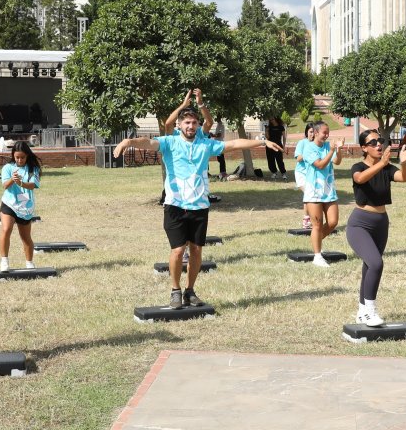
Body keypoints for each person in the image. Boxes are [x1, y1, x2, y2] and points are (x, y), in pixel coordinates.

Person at [114, 107, 282, 308]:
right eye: (186, 122)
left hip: (200, 205)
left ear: (198, 125)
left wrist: (262, 141)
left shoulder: (206, 144)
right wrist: (129, 141)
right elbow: (149, 143)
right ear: (179, 125)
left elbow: (234, 143)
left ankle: (190, 291)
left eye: (194, 123)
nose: (190, 126)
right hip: (175, 205)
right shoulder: (170, 142)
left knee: (196, 250)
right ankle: (175, 290)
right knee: (177, 250)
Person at [347, 130, 406, 326]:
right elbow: (360, 179)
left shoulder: (386, 168)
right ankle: (370, 311)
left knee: (370, 266)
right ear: (364, 148)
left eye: (380, 141)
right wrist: (382, 164)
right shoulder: (358, 166)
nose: (379, 145)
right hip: (359, 223)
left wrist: (402, 162)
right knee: (376, 264)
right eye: (373, 142)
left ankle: (362, 310)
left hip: (381, 222)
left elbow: (405, 178)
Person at [299, 121, 343, 267]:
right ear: (316, 133)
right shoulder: (308, 148)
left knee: (333, 222)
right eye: (324, 132)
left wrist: (339, 149)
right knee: (317, 225)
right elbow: (320, 164)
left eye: (328, 132)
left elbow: (337, 162)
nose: (327, 135)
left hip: (329, 190)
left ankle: (316, 241)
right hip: (314, 192)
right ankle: (317, 256)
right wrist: (331, 151)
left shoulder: (327, 146)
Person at [0, 140, 41, 271]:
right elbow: (5, 185)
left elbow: (33, 185)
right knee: (6, 229)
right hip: (9, 203)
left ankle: (29, 263)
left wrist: (21, 183)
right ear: (13, 156)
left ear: (27, 155)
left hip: (25, 205)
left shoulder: (33, 168)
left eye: (22, 157)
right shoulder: (7, 168)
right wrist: (13, 179)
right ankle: (4, 261)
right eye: (17, 157)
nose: (20, 160)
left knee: (26, 237)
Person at [294, 123, 314, 229]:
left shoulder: (317, 144)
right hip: (301, 173)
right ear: (306, 132)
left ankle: (311, 219)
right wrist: (307, 152)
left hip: (312, 174)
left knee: (311, 196)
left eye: (314, 132)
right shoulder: (302, 143)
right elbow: (298, 158)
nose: (312, 134)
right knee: (308, 193)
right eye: (310, 132)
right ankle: (306, 219)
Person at [264, 116, 287, 180]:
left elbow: (284, 137)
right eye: (270, 120)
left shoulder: (281, 127)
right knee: (270, 160)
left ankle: (283, 173)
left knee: (279, 160)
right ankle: (274, 173)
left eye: (272, 119)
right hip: (270, 146)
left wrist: (284, 147)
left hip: (278, 145)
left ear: (276, 119)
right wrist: (266, 130)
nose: (271, 121)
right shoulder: (269, 127)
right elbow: (267, 137)